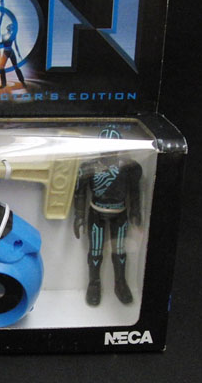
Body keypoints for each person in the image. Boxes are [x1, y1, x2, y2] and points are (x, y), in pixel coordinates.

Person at [72, 127, 142, 306]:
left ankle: (120, 283)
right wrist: (79, 215)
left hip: (120, 213)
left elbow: (134, 192)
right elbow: (80, 193)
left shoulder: (129, 167)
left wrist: (135, 211)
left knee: (120, 251)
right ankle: (94, 284)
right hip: (97, 212)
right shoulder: (88, 167)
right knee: (95, 251)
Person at [0, 23, 26, 88]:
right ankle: (3, 83)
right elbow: (2, 43)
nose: (11, 28)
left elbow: (16, 45)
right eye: (10, 27)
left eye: (12, 27)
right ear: (7, 28)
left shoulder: (13, 36)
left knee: (15, 67)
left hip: (11, 52)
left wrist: (18, 53)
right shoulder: (3, 35)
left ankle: (22, 82)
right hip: (5, 52)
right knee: (1, 67)